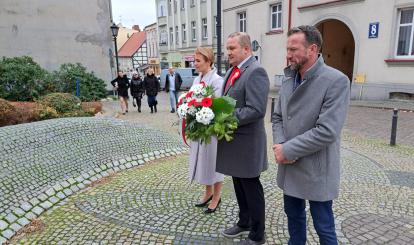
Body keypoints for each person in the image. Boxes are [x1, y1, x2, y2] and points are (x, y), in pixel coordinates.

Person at [272, 25, 350, 245]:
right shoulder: (288, 78)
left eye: (294, 49)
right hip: (290, 165)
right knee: (294, 219)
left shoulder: (336, 81)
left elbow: (327, 131)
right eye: (287, 49)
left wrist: (288, 150)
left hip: (317, 167)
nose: (288, 55)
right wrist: (280, 145)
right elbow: (277, 117)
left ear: (313, 49)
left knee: (323, 226)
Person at [216, 32, 269, 245]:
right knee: (238, 184)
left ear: (246, 49)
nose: (227, 52)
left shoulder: (256, 72)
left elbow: (256, 109)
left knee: (251, 187)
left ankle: (258, 233)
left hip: (247, 143)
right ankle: (244, 222)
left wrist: (223, 118)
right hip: (234, 142)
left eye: (232, 49)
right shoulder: (232, 71)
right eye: (227, 48)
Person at [188, 47, 224, 214]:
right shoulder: (197, 80)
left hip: (211, 131)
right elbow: (191, 99)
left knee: (214, 163)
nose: (194, 64)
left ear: (209, 61)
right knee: (203, 161)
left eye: (198, 61)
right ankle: (207, 192)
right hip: (199, 128)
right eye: (194, 60)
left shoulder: (217, 80)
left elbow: (217, 106)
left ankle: (217, 196)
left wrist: (199, 105)